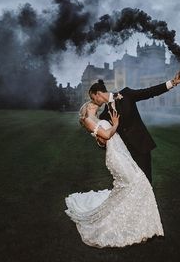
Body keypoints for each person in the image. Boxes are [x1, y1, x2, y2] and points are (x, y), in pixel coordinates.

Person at [64, 101, 165, 248]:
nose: (92, 104)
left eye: (93, 104)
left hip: (121, 153)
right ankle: (133, 221)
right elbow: (105, 135)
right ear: (85, 110)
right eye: (89, 104)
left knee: (136, 184)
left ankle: (140, 221)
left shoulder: (99, 119)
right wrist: (115, 124)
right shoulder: (87, 120)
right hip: (115, 157)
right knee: (137, 183)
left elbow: (102, 141)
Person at [89, 71, 180, 185]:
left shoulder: (126, 94)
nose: (93, 101)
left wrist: (173, 82)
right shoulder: (104, 115)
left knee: (146, 183)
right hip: (125, 152)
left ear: (98, 93)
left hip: (141, 146)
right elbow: (106, 138)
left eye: (92, 97)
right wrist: (100, 141)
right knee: (132, 185)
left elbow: (149, 92)